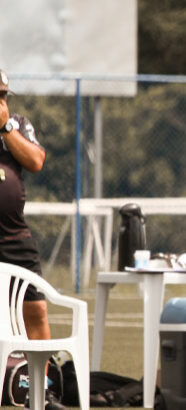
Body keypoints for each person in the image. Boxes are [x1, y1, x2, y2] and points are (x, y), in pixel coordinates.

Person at [0, 69, 64, 409]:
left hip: (13, 237)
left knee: (36, 311)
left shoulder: (17, 125)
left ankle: (43, 388)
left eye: (3, 95)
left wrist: (6, 127)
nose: (1, 101)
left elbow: (36, 160)